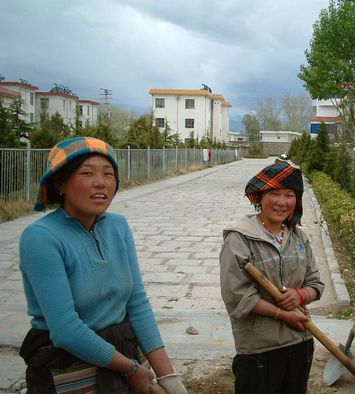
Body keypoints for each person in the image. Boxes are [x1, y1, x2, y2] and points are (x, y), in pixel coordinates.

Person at [18, 137, 187, 394]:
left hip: (124, 350)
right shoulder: (41, 237)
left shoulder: (117, 226)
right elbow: (65, 330)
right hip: (69, 363)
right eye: (87, 172)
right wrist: (132, 369)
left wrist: (170, 379)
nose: (101, 182)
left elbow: (137, 302)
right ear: (61, 182)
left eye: (108, 173)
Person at [219, 162, 325, 394]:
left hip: (300, 341)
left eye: (289, 195)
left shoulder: (299, 238)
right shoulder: (240, 238)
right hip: (259, 348)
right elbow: (236, 295)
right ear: (259, 197)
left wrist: (300, 295)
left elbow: (316, 284)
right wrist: (281, 313)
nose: (281, 202)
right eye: (274, 193)